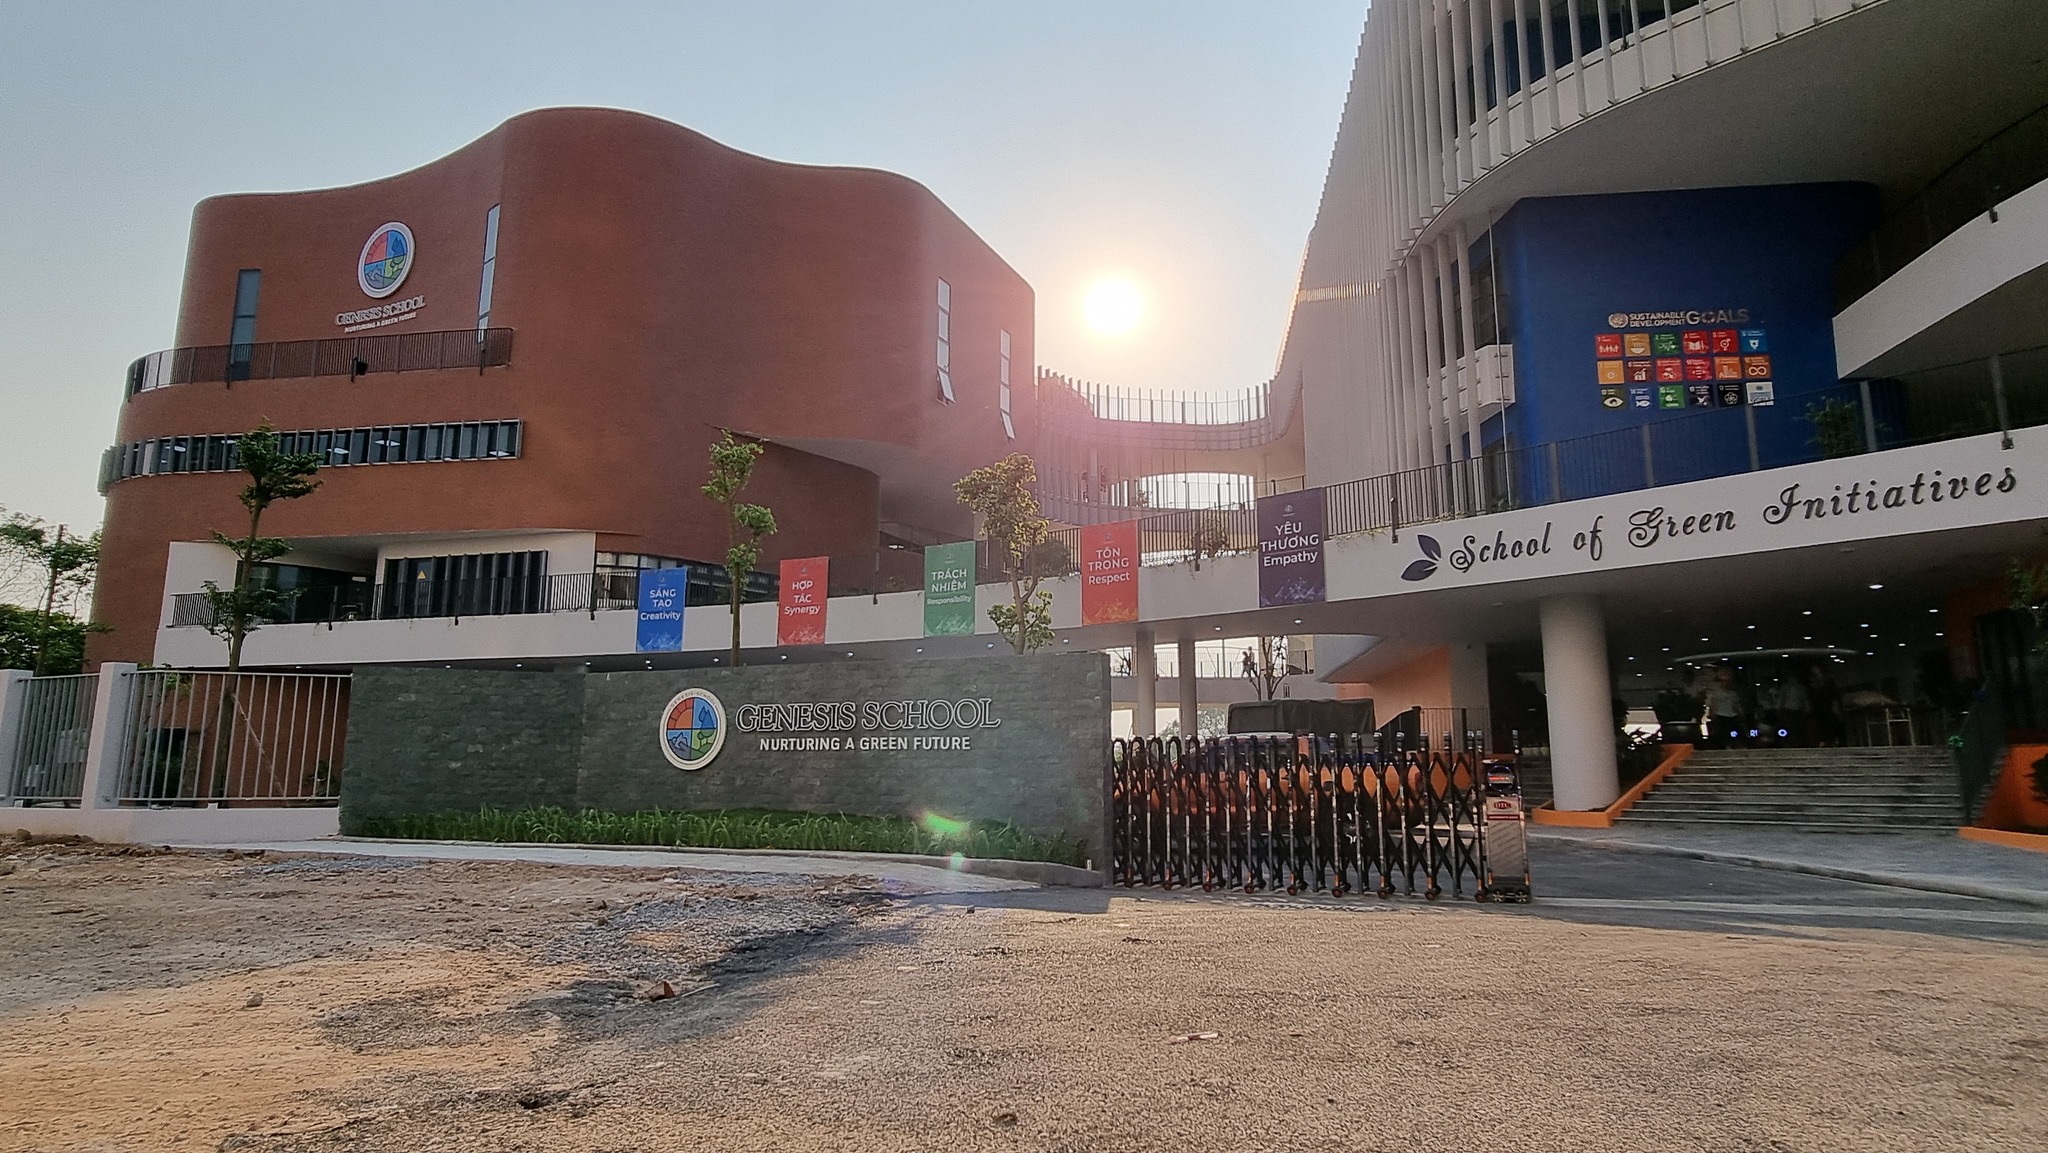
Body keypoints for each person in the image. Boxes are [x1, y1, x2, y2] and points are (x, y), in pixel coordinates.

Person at [1707, 672, 1745, 748]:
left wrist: (1740, 714)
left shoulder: (1733, 694)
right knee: (1722, 734)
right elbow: (1713, 705)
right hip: (1721, 716)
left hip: (1732, 716)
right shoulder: (1716, 694)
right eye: (1723, 681)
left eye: (1727, 681)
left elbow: (1736, 705)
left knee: (1737, 734)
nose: (1726, 683)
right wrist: (1712, 714)